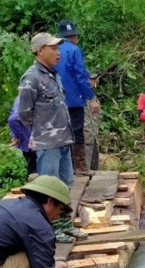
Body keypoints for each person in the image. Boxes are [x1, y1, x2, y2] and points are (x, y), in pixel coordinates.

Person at [18, 33, 74, 188]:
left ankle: (64, 213)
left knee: (66, 185)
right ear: (40, 51)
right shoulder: (31, 78)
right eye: (53, 48)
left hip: (64, 139)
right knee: (50, 189)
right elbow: (23, 112)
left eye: (58, 48)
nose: (58, 52)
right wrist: (39, 129)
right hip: (48, 144)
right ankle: (52, 213)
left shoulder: (53, 75)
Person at [53, 20, 98, 174]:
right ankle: (80, 167)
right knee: (77, 133)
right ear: (74, 36)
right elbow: (79, 76)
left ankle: (64, 169)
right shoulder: (74, 50)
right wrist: (91, 98)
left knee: (60, 134)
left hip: (55, 100)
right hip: (73, 100)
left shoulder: (52, 50)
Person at [8, 96, 37, 177]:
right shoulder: (25, 98)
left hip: (27, 141)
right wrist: (18, 135)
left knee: (32, 169)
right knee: (35, 171)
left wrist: (15, 135)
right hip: (32, 142)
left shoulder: (18, 98)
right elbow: (13, 119)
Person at [83, 74, 101, 172]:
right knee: (85, 167)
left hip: (94, 135)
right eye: (88, 79)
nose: (91, 82)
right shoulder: (78, 97)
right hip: (84, 136)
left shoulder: (94, 98)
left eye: (93, 80)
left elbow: (98, 116)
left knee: (95, 167)